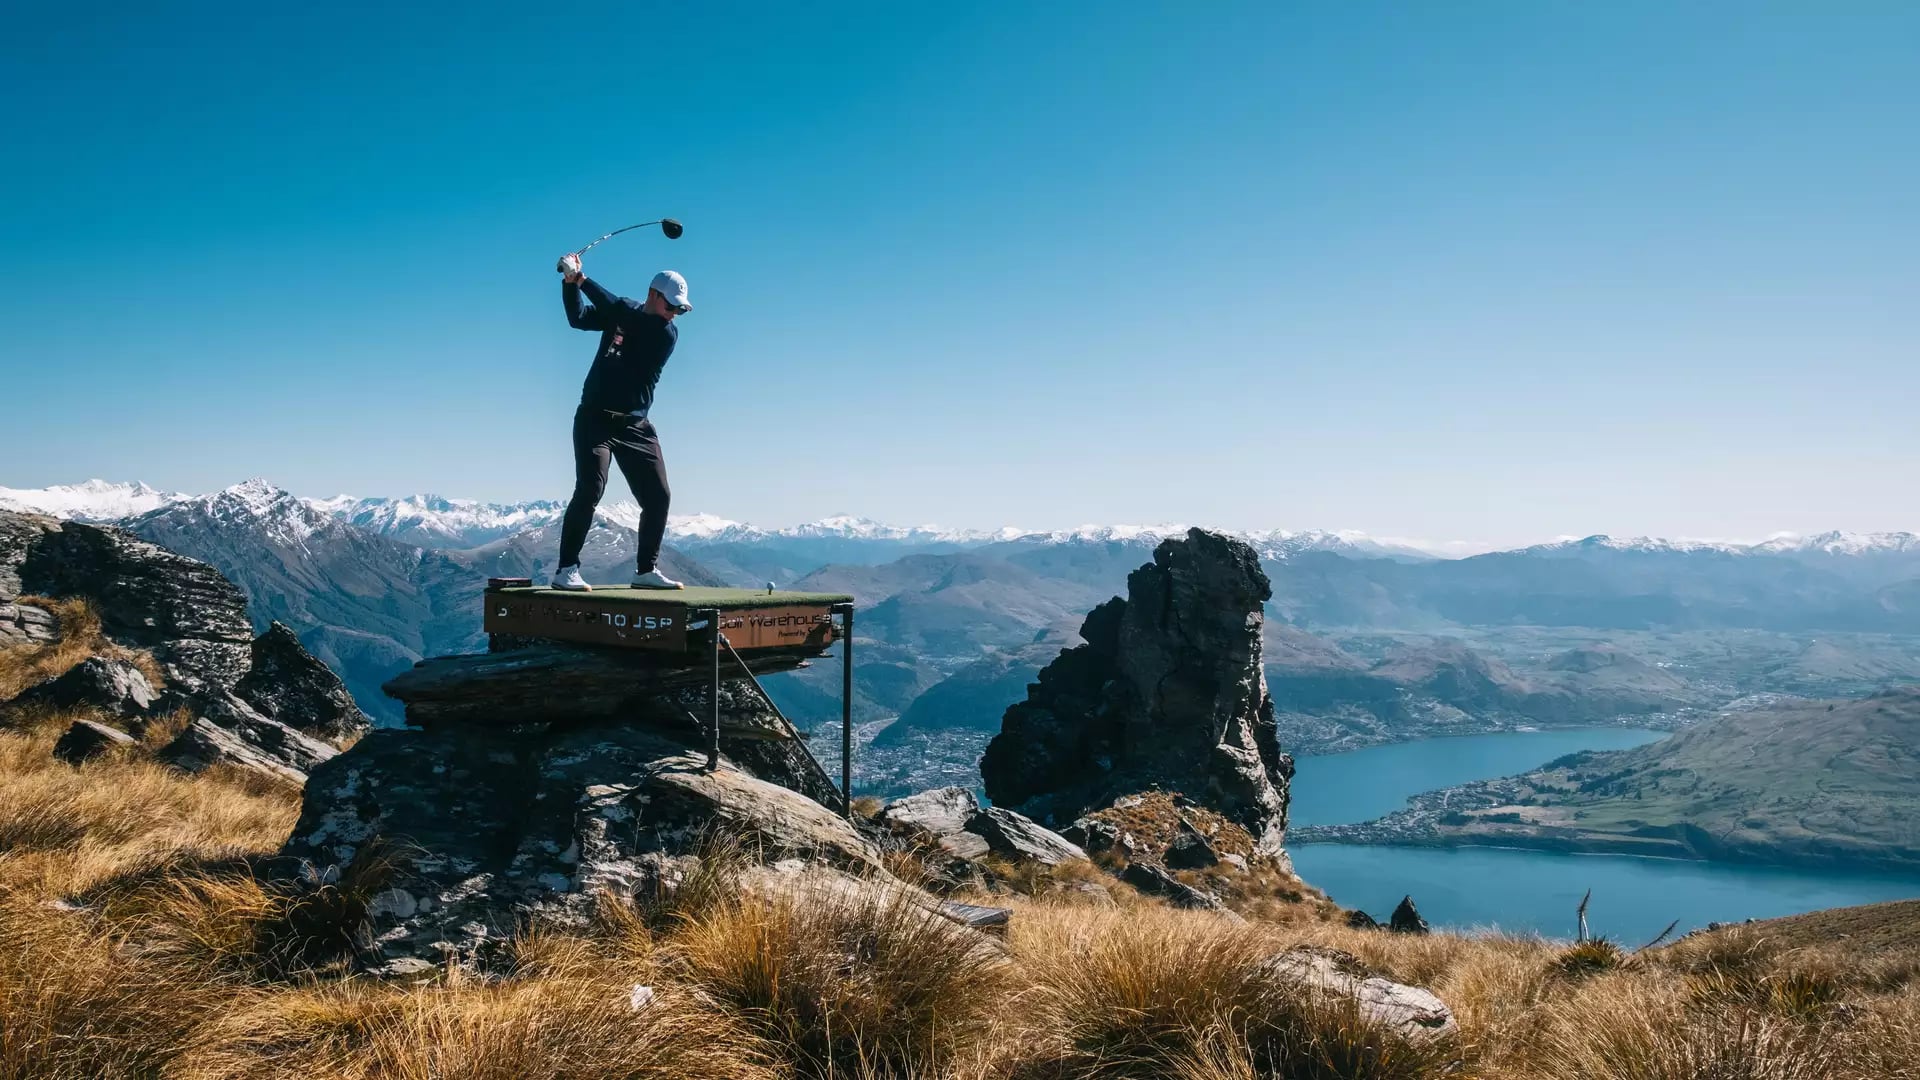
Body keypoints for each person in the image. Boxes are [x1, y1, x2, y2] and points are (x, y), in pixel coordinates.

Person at [549, 252, 692, 590]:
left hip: (635, 426)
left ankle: (645, 571)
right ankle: (565, 570)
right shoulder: (624, 312)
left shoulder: (664, 333)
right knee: (590, 488)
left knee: (658, 496)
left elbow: (622, 312)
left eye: (680, 309)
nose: (675, 314)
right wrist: (570, 285)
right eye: (672, 305)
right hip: (594, 420)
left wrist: (582, 279)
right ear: (653, 295)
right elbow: (579, 317)